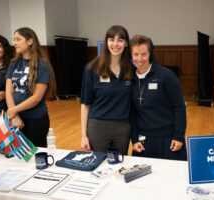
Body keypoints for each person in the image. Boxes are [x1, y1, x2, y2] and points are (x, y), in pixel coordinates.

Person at [130, 35, 187, 160]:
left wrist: (178, 136)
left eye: (144, 54)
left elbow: (179, 107)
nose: (140, 59)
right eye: (136, 54)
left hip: (169, 139)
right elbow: (132, 113)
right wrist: (134, 139)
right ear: (131, 55)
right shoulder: (129, 79)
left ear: (150, 54)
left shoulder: (166, 75)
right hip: (143, 141)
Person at [80, 25, 133, 155]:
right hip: (98, 127)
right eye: (111, 39)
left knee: (119, 166)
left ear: (126, 43)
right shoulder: (91, 68)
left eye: (120, 40)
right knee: (98, 166)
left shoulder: (132, 69)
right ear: (106, 42)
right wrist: (83, 135)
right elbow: (85, 104)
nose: (115, 44)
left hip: (123, 128)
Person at [5, 27, 56, 147]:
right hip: (16, 118)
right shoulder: (14, 63)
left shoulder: (42, 64)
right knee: (17, 157)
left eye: (18, 39)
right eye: (14, 39)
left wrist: (13, 110)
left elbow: (37, 97)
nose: (15, 43)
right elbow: (8, 92)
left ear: (30, 41)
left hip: (36, 119)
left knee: (35, 157)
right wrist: (15, 115)